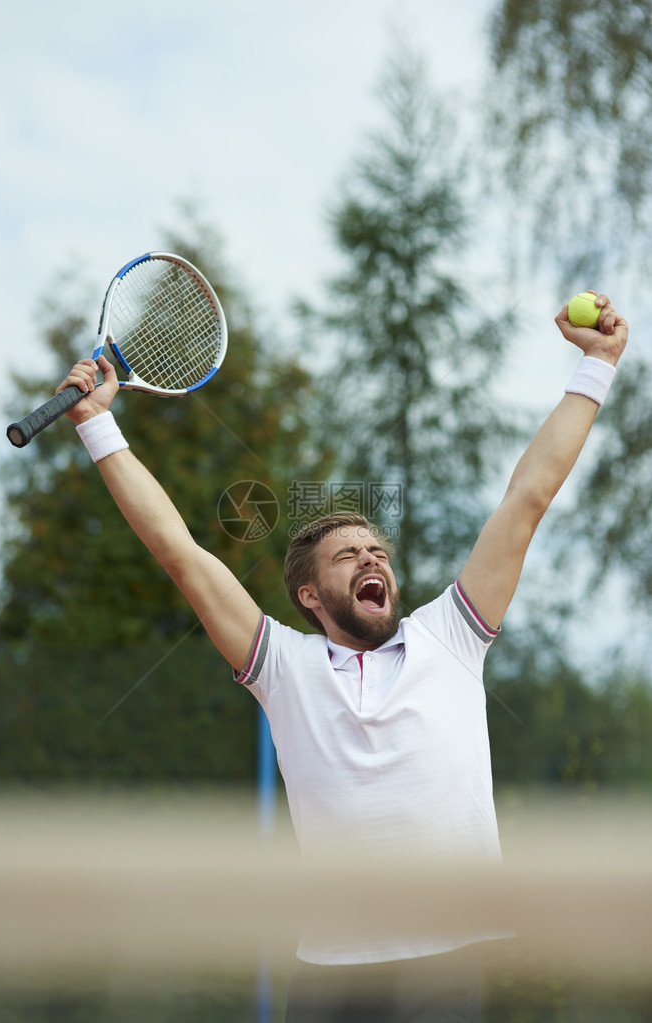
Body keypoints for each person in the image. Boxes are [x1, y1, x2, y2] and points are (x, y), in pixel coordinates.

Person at [58, 293, 627, 1021]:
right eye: (349, 554)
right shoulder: (283, 667)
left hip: (447, 959)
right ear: (308, 593)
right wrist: (95, 421)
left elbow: (526, 497)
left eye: (378, 551)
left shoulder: (448, 634)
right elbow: (180, 553)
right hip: (328, 972)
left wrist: (596, 364)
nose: (371, 558)